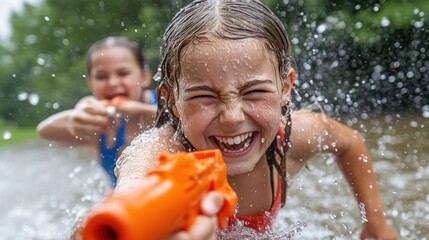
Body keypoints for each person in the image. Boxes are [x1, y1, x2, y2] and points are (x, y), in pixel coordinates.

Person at [112, 0, 397, 239]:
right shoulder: (160, 155)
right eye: (205, 97)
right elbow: (121, 203)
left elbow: (350, 143)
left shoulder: (294, 138)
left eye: (254, 92)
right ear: (173, 99)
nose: (232, 118)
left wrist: (375, 222)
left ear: (285, 87)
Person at [37, 36, 157, 188]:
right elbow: (43, 131)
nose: (112, 83)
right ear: (91, 83)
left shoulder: (167, 102)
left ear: (145, 77)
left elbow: (186, 119)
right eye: (101, 77)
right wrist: (73, 119)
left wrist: (142, 110)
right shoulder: (95, 125)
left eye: (123, 73)